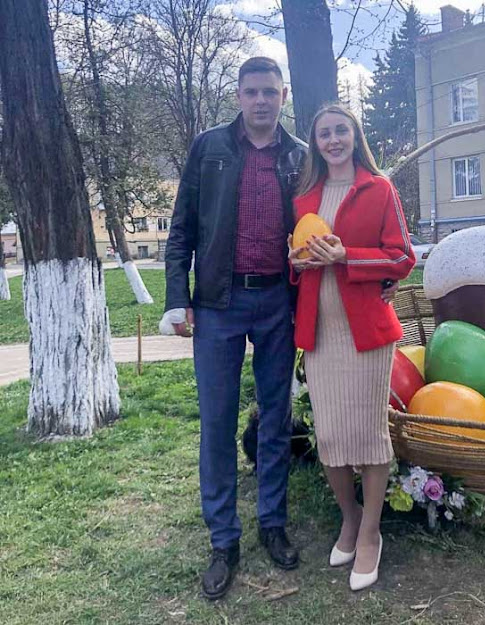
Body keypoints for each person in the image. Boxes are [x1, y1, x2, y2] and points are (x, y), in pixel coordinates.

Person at [161, 57, 307, 600]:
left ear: (283, 94)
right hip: (218, 303)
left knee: (276, 418)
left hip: (277, 301)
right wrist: (179, 300)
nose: (262, 101)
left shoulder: (299, 156)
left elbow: (316, 226)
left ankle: (272, 523)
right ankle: (224, 540)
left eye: (270, 91)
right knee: (218, 423)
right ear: (239, 95)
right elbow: (181, 230)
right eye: (252, 92)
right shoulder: (209, 148)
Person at [288, 104, 415, 592]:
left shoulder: (378, 188)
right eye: (324, 133)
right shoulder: (305, 197)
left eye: (341, 130)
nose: (333, 139)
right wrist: (298, 261)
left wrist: (348, 257)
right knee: (332, 438)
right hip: (320, 334)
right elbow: (297, 264)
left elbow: (402, 257)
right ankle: (349, 515)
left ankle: (369, 535)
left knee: (368, 436)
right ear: (316, 142)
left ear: (355, 135)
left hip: (366, 336)